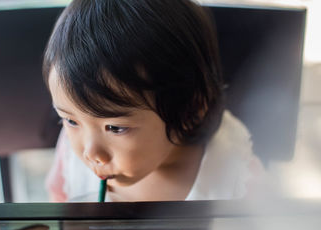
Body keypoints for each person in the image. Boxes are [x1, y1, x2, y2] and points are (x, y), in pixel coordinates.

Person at [42, 0, 263, 202]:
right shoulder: (72, 156)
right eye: (70, 121)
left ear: (190, 109)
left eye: (115, 127)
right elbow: (59, 210)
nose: (90, 153)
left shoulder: (238, 181)